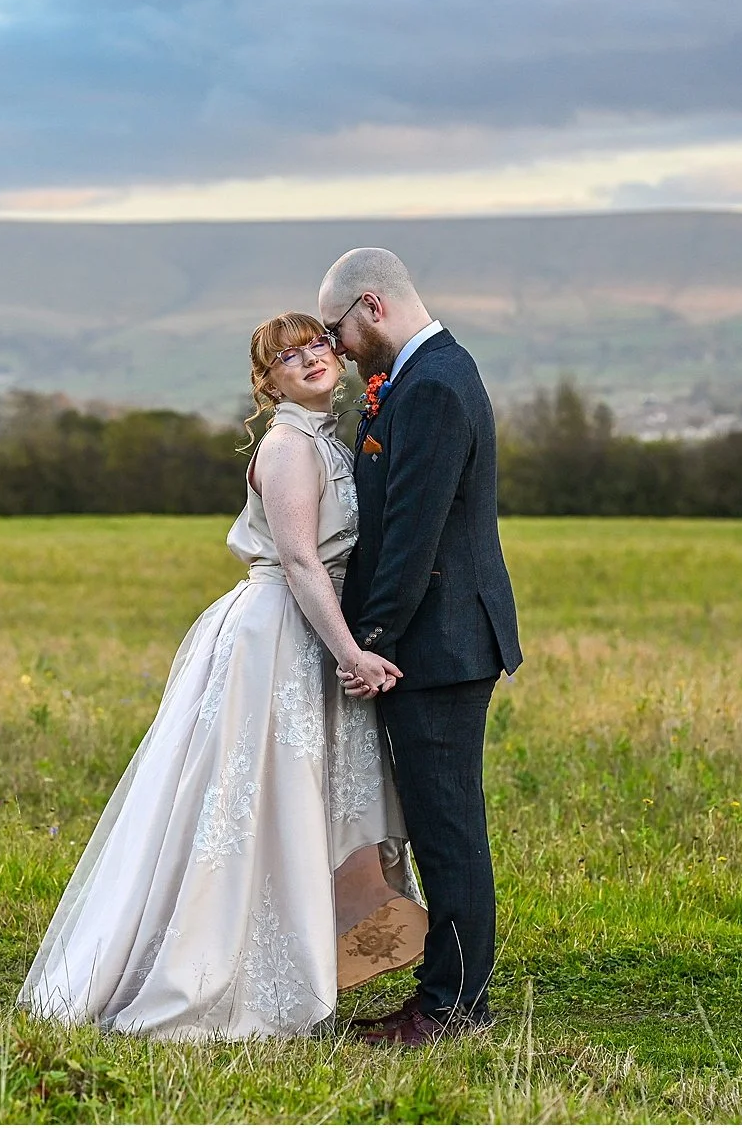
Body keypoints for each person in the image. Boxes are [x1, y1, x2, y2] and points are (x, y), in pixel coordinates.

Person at [19, 311, 429, 1039]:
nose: (308, 360)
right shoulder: (287, 448)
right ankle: (210, 968)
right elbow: (301, 561)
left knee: (291, 797)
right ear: (266, 382)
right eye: (287, 357)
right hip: (277, 631)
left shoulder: (321, 441)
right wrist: (350, 654)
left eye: (315, 346)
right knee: (249, 799)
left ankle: (298, 952)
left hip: (305, 627)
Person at [319, 248, 524, 1047]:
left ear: (371, 305)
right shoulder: (422, 372)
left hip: (439, 648)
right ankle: (448, 998)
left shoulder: (434, 383)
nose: (335, 348)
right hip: (438, 642)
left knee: (450, 833)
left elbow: (412, 535)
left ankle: (452, 1011)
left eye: (336, 329)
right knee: (446, 827)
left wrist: (368, 643)